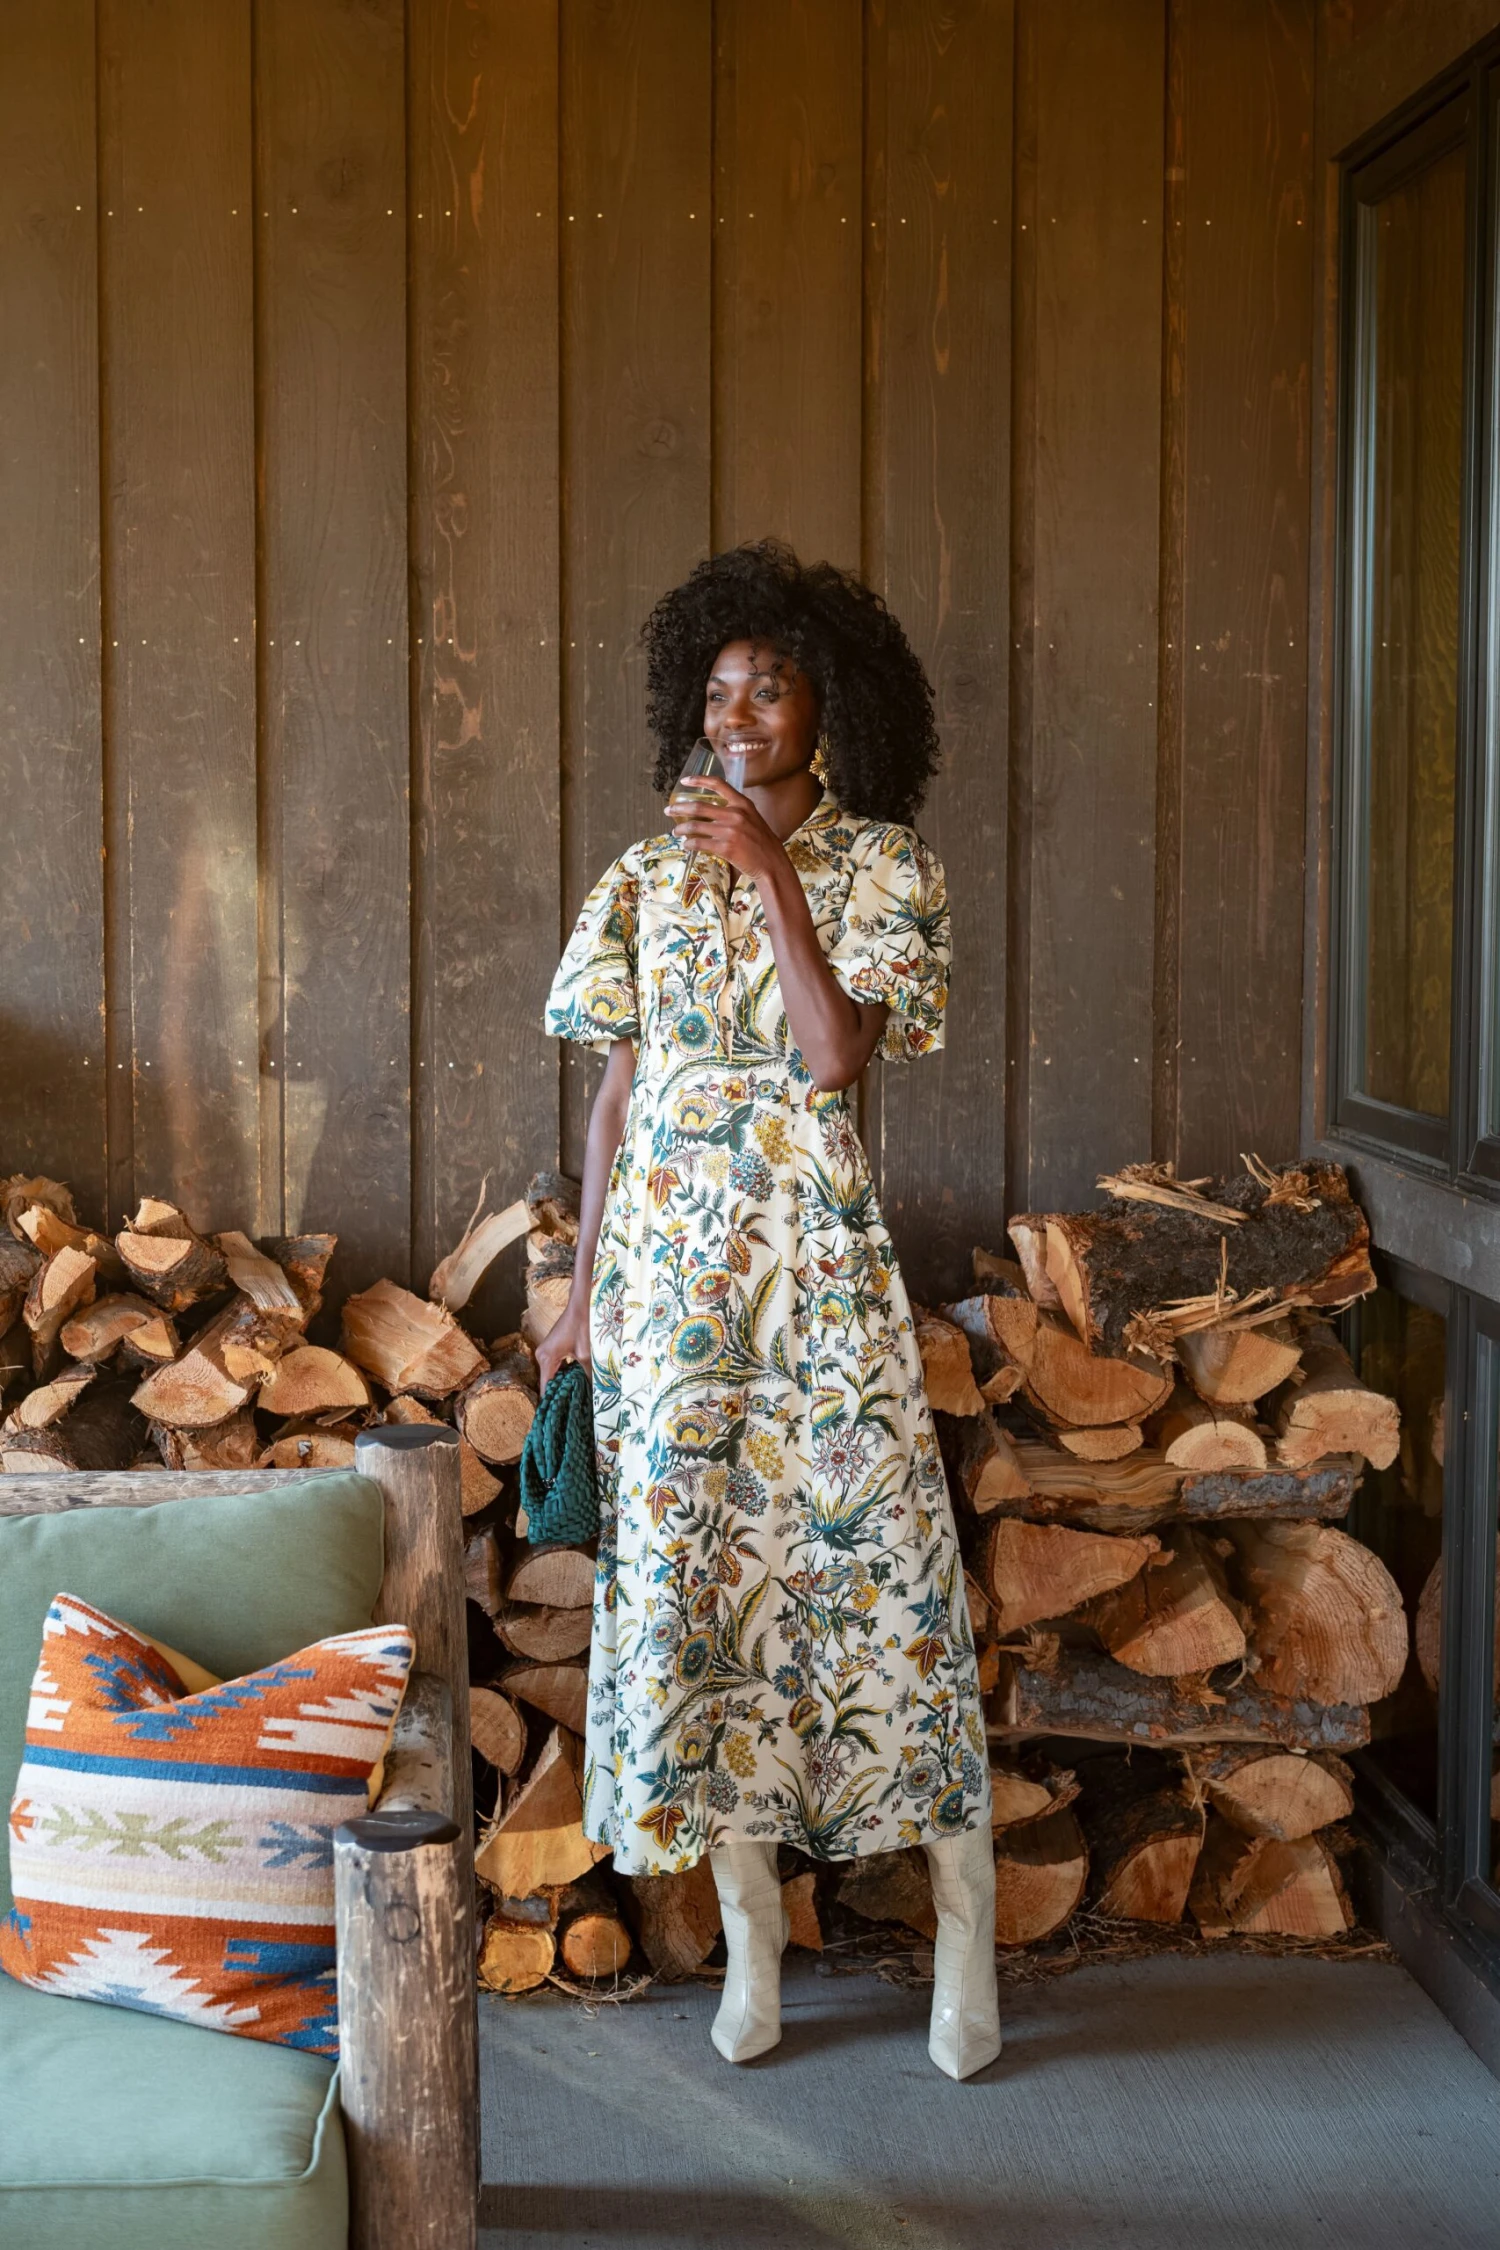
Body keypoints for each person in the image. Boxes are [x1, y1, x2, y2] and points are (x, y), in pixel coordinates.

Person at [538, 539, 1000, 2080]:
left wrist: (774, 874)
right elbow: (614, 1100)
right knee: (698, 1603)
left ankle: (967, 1927)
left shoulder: (888, 868)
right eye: (720, 689)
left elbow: (832, 1054)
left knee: (881, 1595)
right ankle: (752, 1943)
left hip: (817, 1285)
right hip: (672, 1288)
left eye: (772, 688)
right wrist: (582, 1295)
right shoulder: (645, 873)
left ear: (829, 706)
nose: (738, 716)